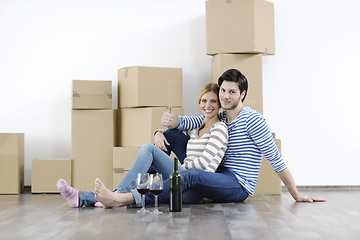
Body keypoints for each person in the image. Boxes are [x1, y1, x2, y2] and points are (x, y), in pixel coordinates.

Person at [160, 69, 326, 203]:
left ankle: (140, 195)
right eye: (223, 91)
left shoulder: (253, 120)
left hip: (237, 185)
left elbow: (276, 160)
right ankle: (149, 182)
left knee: (193, 174)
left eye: (232, 92)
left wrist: (296, 194)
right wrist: (164, 127)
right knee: (171, 135)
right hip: (217, 173)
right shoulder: (221, 115)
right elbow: (187, 122)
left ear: (242, 94)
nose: (225, 96)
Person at [57, 83, 229, 208]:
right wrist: (158, 133)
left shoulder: (219, 128)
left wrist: (175, 172)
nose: (208, 106)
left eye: (213, 101)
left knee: (148, 149)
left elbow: (204, 165)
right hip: (181, 180)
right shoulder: (196, 127)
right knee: (145, 178)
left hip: (194, 187)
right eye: (204, 101)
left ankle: (117, 193)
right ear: (199, 103)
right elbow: (173, 135)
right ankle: (80, 198)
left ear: (219, 105)